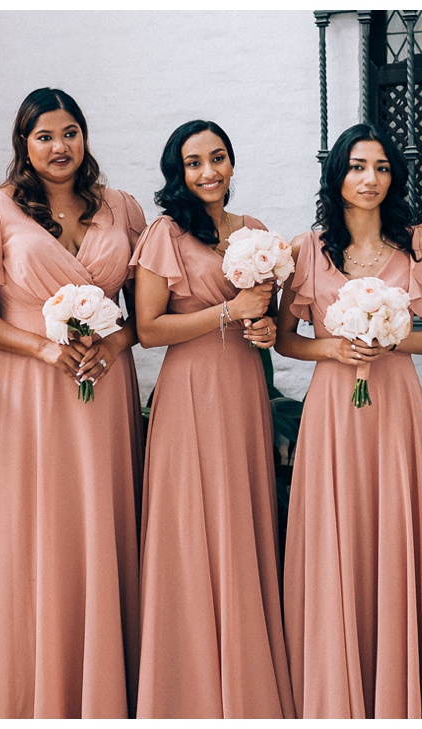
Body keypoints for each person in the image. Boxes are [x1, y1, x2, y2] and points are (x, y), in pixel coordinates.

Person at [0, 87, 145, 718]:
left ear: (84, 137)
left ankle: (105, 686)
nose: (59, 147)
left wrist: (114, 344)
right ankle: (37, 685)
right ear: (24, 145)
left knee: (100, 516)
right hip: (28, 390)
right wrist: (40, 349)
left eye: (69, 133)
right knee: (41, 528)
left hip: (104, 384)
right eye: (44, 136)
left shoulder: (122, 208)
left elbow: (148, 308)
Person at [274, 123, 422, 718]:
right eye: (357, 167)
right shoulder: (309, 248)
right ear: (337, 175)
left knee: (392, 530)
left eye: (380, 168)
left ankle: (399, 696)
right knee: (338, 531)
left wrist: (392, 338)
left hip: (396, 407)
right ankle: (334, 693)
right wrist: (330, 348)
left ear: (392, 178)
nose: (370, 179)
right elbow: (284, 340)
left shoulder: (418, 244)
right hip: (332, 409)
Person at [130, 119, 293, 718]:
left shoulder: (253, 232)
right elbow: (148, 330)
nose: (208, 171)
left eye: (217, 157)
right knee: (192, 523)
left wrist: (265, 325)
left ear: (232, 163)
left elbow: (268, 324)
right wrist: (228, 310)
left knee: (241, 520)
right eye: (194, 161)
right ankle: (188, 685)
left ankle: (247, 677)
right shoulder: (164, 234)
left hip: (244, 388)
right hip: (191, 389)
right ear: (179, 171)